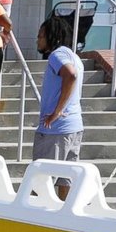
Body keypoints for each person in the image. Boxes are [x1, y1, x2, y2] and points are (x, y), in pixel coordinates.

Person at [34, 16, 84, 201]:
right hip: (74, 127)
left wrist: (56, 111)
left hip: (55, 129)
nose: (38, 40)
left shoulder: (57, 55)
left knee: (41, 180)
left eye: (40, 36)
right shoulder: (75, 56)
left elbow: (70, 75)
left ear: (52, 36)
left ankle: (34, 222)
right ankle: (63, 219)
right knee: (65, 180)